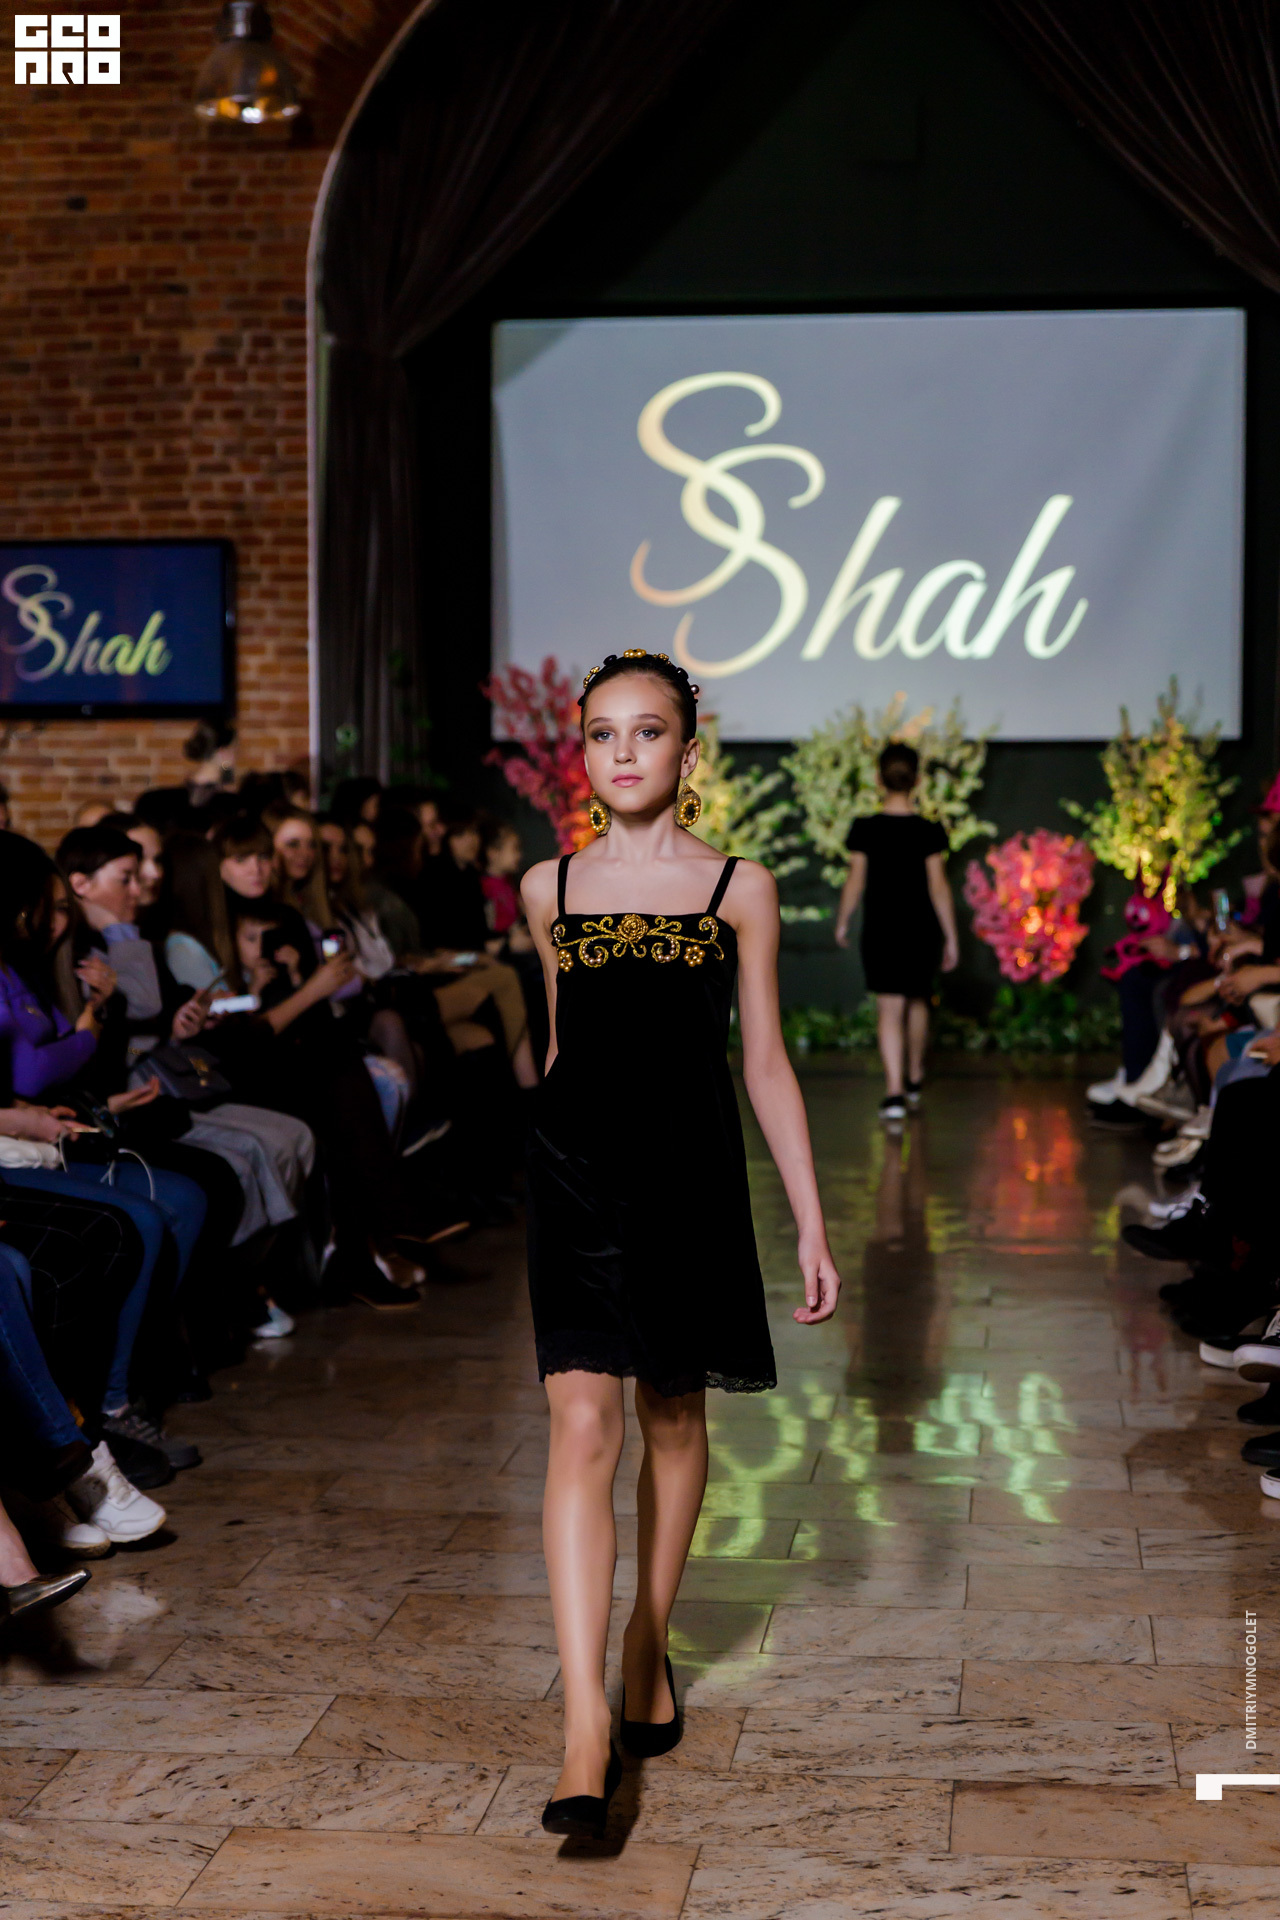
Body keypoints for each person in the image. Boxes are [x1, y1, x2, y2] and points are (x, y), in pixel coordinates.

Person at [521, 648, 840, 1839]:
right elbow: (563, 1047)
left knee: (670, 1417)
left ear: (686, 752)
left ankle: (646, 1638)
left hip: (688, 1180)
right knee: (580, 1423)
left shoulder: (737, 889)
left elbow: (763, 1062)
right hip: (573, 1179)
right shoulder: (548, 888)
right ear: (582, 753)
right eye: (601, 733)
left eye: (646, 731)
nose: (622, 752)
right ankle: (583, 1728)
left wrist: (810, 1221)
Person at [834, 743, 959, 1123]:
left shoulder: (865, 828)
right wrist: (951, 935)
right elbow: (939, 886)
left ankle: (894, 1092)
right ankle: (914, 1075)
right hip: (921, 929)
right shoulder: (929, 829)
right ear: (917, 780)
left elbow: (855, 880)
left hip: (882, 929)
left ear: (878, 779)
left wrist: (843, 919)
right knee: (917, 1000)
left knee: (890, 1008)